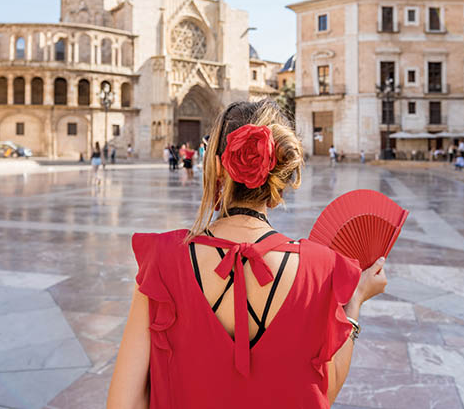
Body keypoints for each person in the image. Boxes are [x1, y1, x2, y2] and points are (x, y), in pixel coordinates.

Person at [107, 99, 387, 408]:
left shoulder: (161, 261)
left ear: (215, 166)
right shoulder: (321, 270)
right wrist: (355, 302)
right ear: (282, 174)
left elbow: (123, 403)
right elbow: (324, 391)